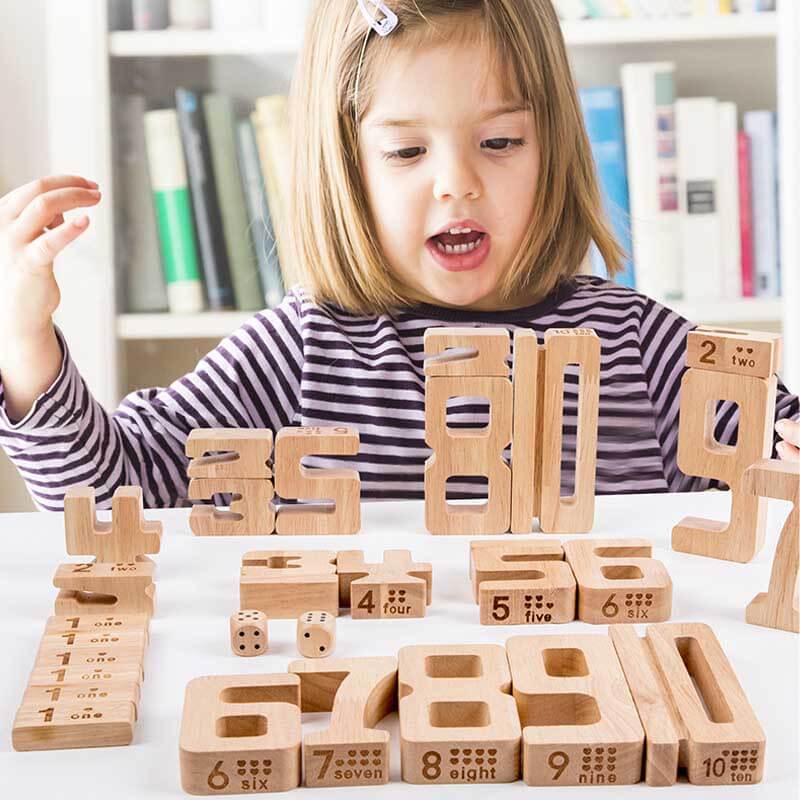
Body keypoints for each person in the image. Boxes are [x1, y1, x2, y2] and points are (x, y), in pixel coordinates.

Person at [0, 0, 797, 511]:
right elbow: (107, 496)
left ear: (552, 147)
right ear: (349, 168)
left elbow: (775, 463)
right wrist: (27, 345)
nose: (458, 185)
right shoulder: (300, 351)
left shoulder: (640, 345)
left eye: (499, 142)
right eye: (408, 152)